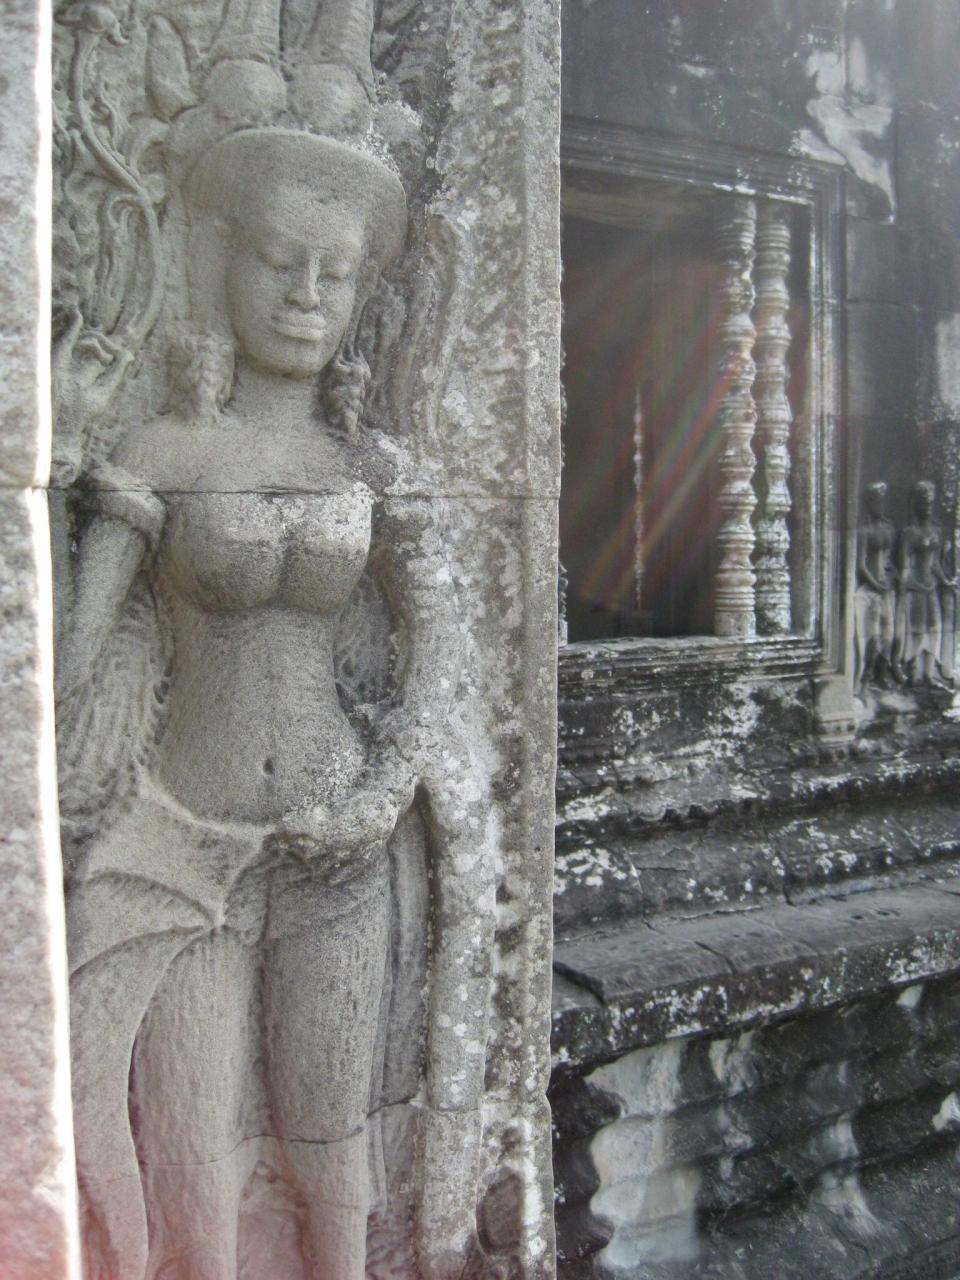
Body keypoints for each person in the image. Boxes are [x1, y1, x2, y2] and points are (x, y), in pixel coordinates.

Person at [57, 110, 462, 1279]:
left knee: (331, 1148)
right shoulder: (168, 452)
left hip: (338, 844)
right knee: (188, 1146)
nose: (305, 296)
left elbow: (439, 652)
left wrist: (383, 793)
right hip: (188, 834)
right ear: (223, 262)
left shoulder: (370, 468)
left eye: (335, 273)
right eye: (280, 259)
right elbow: (73, 659)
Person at [895, 480, 956, 689]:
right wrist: (909, 586)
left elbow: (935, 563)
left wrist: (945, 580)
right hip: (915, 589)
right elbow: (904, 566)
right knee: (917, 630)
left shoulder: (936, 531)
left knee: (935, 628)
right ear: (916, 504)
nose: (927, 507)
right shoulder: (909, 532)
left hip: (931, 588)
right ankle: (913, 674)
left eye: (930, 502)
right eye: (923, 503)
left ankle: (928, 674)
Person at [854, 481, 900, 690]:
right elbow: (861, 565)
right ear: (869, 503)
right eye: (875, 501)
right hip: (871, 589)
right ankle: (867, 675)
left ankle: (882, 673)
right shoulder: (864, 530)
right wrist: (875, 584)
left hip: (886, 589)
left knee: (888, 634)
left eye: (881, 501)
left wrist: (894, 577)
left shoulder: (889, 528)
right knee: (872, 635)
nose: (879, 505)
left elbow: (889, 560)